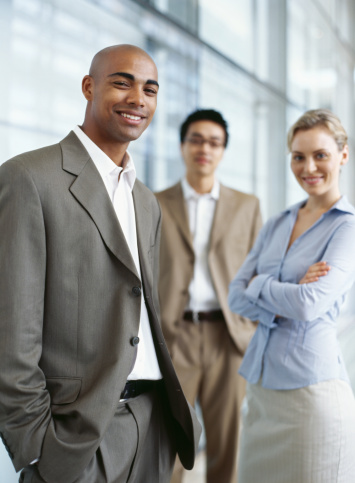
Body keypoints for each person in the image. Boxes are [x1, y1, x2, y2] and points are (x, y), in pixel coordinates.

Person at [0, 44, 201, 483]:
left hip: (154, 426)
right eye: (122, 82)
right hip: (77, 435)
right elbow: (11, 328)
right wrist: (34, 445)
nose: (138, 99)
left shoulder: (145, 201)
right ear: (89, 87)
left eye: (150, 89)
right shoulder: (29, 178)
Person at [228, 108, 355, 483]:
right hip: (261, 390)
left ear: (342, 156)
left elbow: (309, 303)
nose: (308, 167)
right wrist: (289, 292)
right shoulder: (277, 222)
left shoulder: (347, 230)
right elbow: (235, 296)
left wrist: (262, 286)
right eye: (298, 156)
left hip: (311, 395)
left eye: (321, 155)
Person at [155, 109, 262, 483]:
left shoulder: (247, 206)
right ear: (183, 146)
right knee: (169, 441)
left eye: (214, 142)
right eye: (196, 139)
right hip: (174, 336)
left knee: (227, 443)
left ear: (223, 151)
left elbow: (259, 272)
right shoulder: (154, 202)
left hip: (228, 337)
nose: (205, 148)